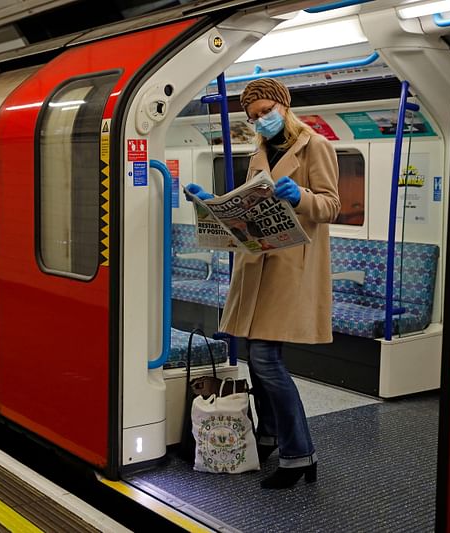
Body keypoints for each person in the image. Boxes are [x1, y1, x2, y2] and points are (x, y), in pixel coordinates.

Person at [185, 78, 340, 489]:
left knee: (267, 360)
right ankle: (270, 435)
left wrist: (299, 196)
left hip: (292, 268)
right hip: (258, 263)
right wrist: (212, 205)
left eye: (266, 112)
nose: (260, 120)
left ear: (284, 107)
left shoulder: (316, 146)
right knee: (256, 357)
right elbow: (249, 202)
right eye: (253, 116)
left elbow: (330, 205)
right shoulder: (259, 152)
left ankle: (299, 453)